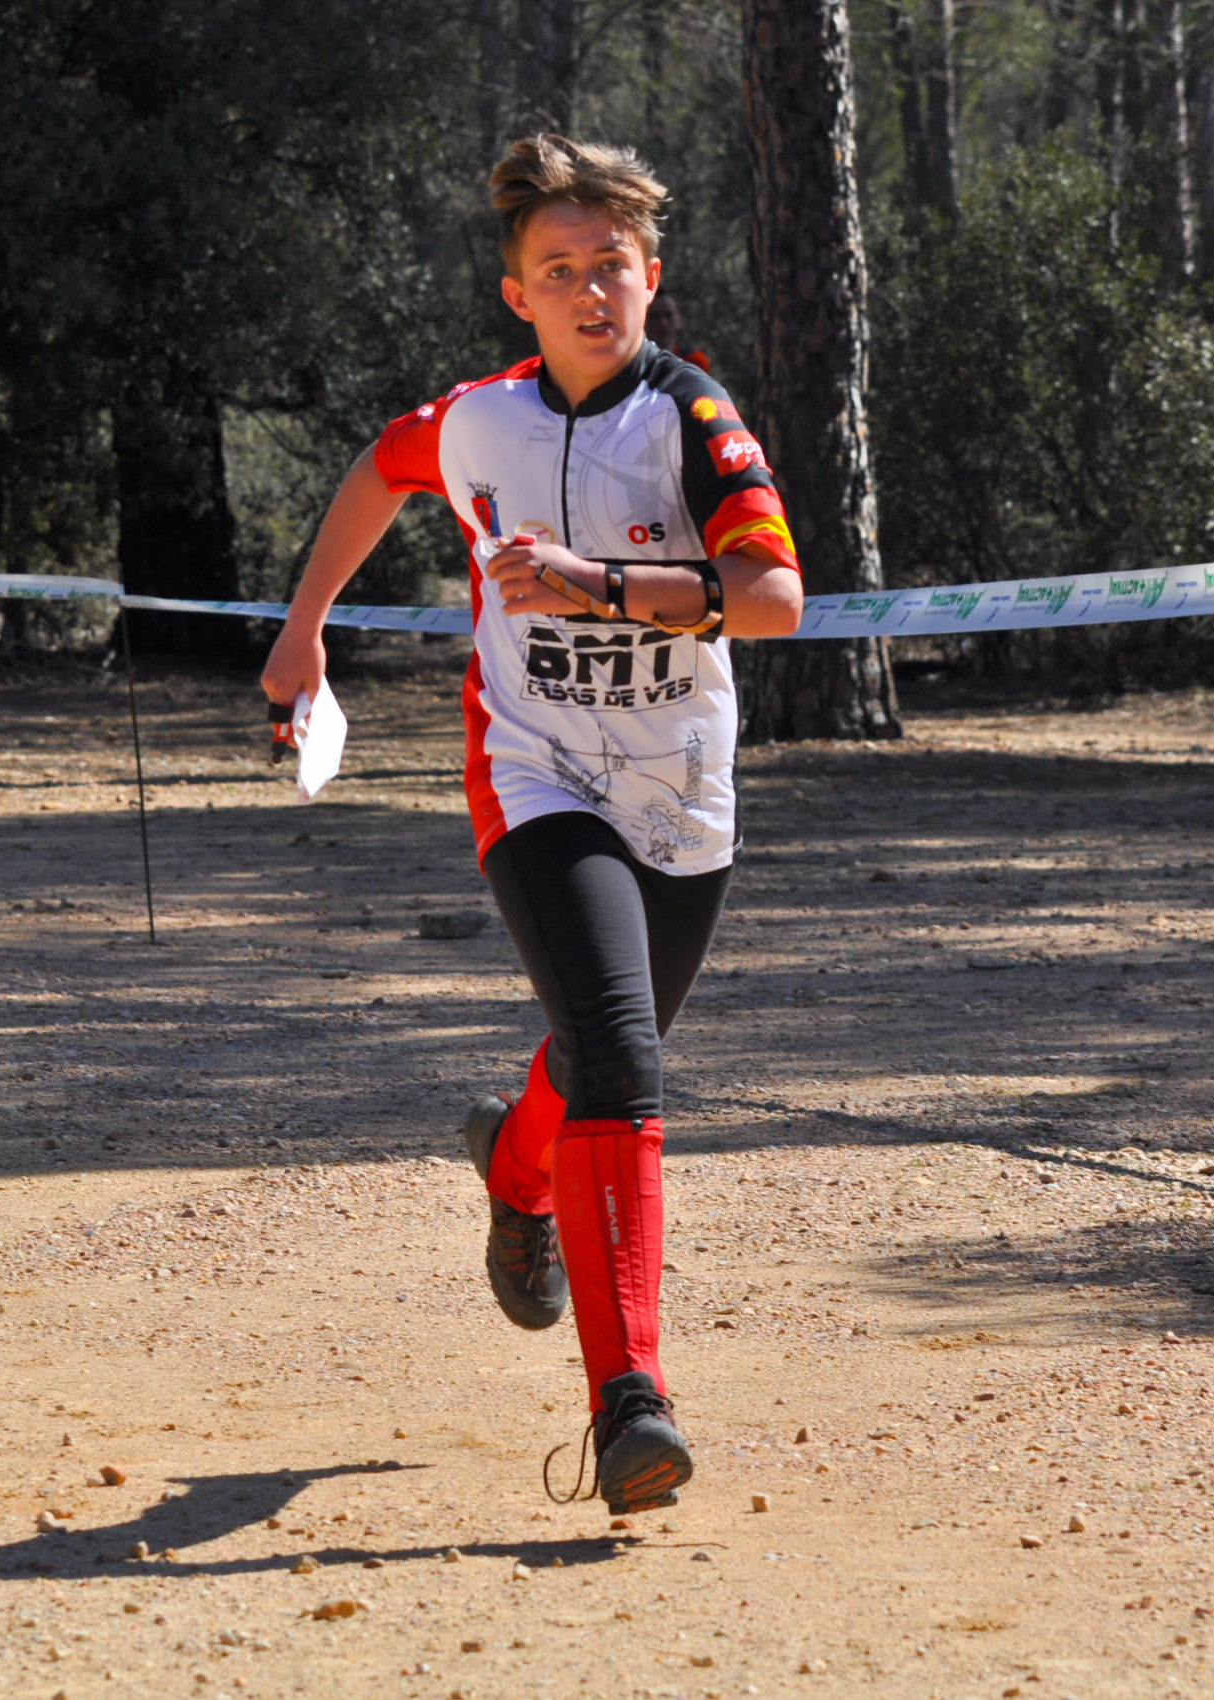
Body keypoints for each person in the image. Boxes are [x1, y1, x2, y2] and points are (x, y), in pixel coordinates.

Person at [259, 134, 803, 1515]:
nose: (587, 290)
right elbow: (378, 471)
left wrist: (595, 586)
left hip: (681, 789)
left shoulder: (692, 418)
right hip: (534, 772)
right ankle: (632, 1405)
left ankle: (517, 1167)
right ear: (518, 296)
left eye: (610, 265)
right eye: (557, 271)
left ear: (651, 277)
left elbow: (772, 599)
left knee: (596, 1049)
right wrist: (306, 627)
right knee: (621, 1055)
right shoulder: (477, 421)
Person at [644, 291, 712, 373]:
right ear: (644, 321)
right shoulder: (635, 364)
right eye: (655, 316)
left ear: (679, 320)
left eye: (668, 315)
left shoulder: (695, 361)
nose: (662, 322)